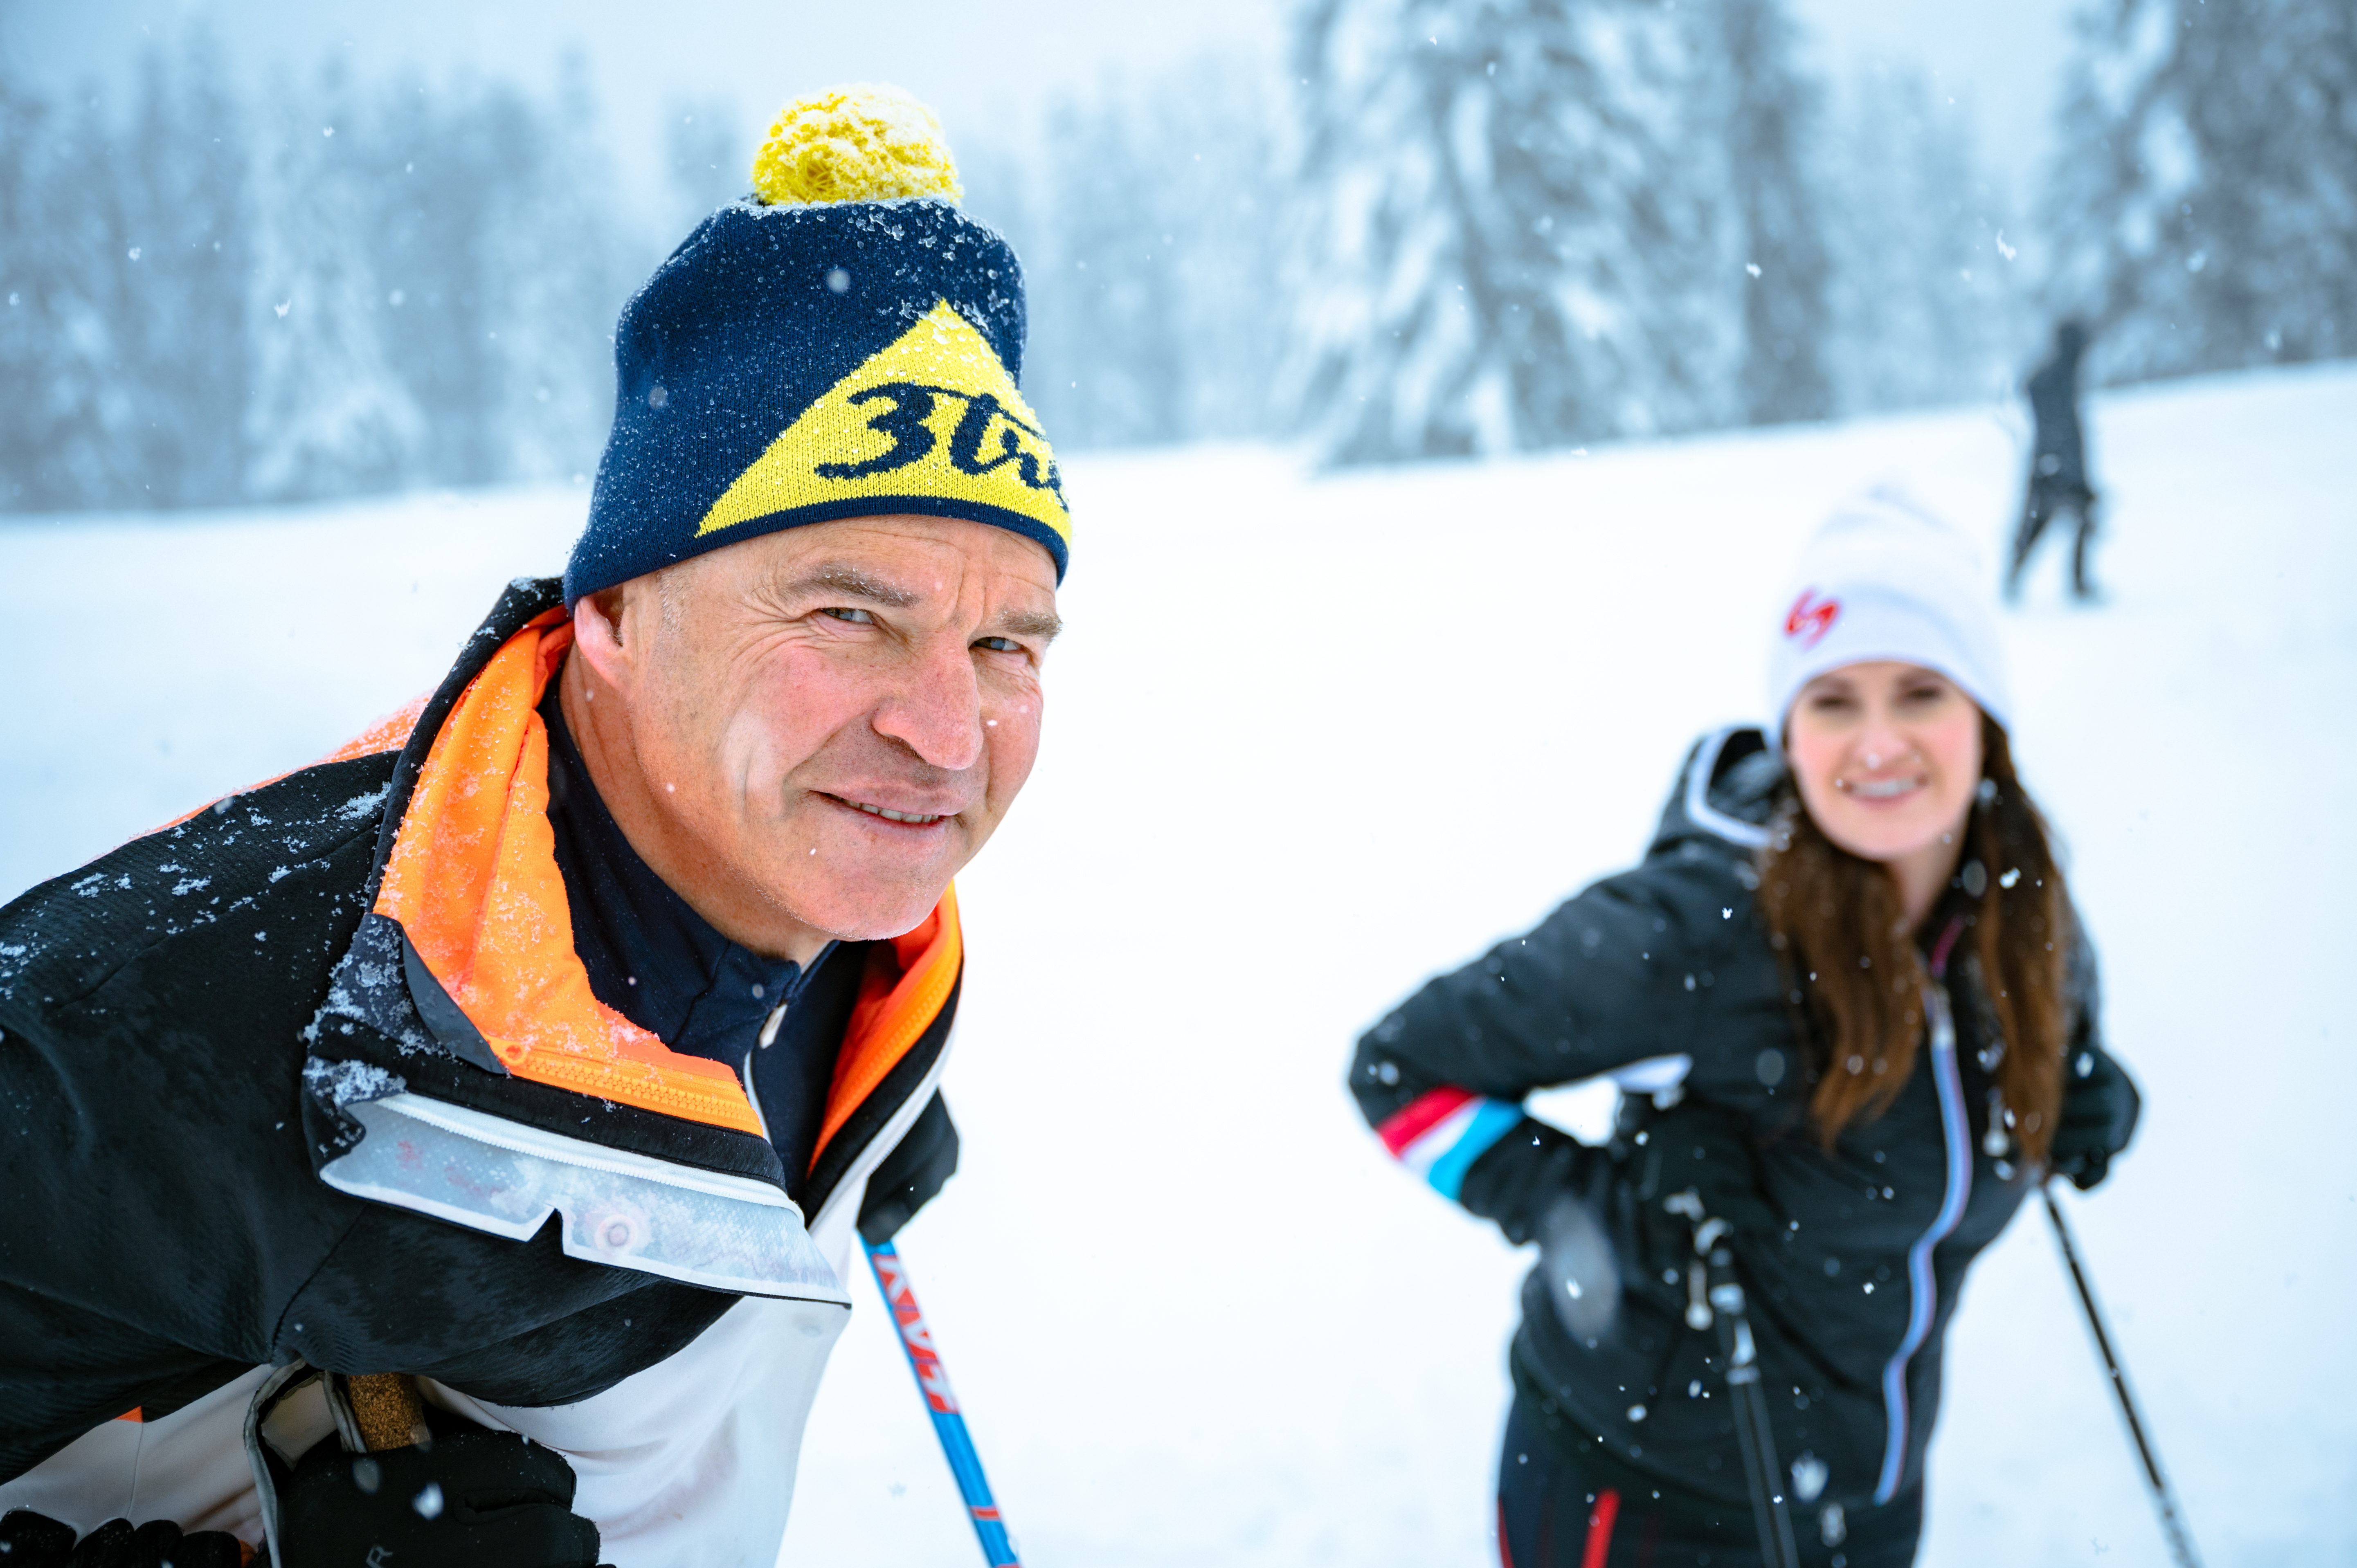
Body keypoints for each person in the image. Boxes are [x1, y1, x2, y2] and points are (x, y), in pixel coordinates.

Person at [0, 85, 1071, 1568]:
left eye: (1008, 644)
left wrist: (843, 1109)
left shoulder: (818, 870)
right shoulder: (185, 1016)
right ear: (617, 613)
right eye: (847, 611)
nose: (948, 735)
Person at [1349, 492, 2141, 1568]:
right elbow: (1401, 1068)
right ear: (1790, 729)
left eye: (1920, 693)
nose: (1876, 744)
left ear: (1983, 718)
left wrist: (2077, 1091)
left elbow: (2016, 1069)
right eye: (1832, 702)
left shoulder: (2025, 917)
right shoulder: (1697, 930)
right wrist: (1603, 1211)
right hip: (1638, 1498)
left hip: (1869, 1500)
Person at [2006, 319, 2099, 602]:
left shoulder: (2060, 375)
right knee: (2042, 526)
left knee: (2043, 526)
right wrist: (2068, 472)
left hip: (2053, 466)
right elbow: (2059, 429)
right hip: (2055, 469)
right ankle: (2074, 584)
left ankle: (2017, 580)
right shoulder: (2058, 377)